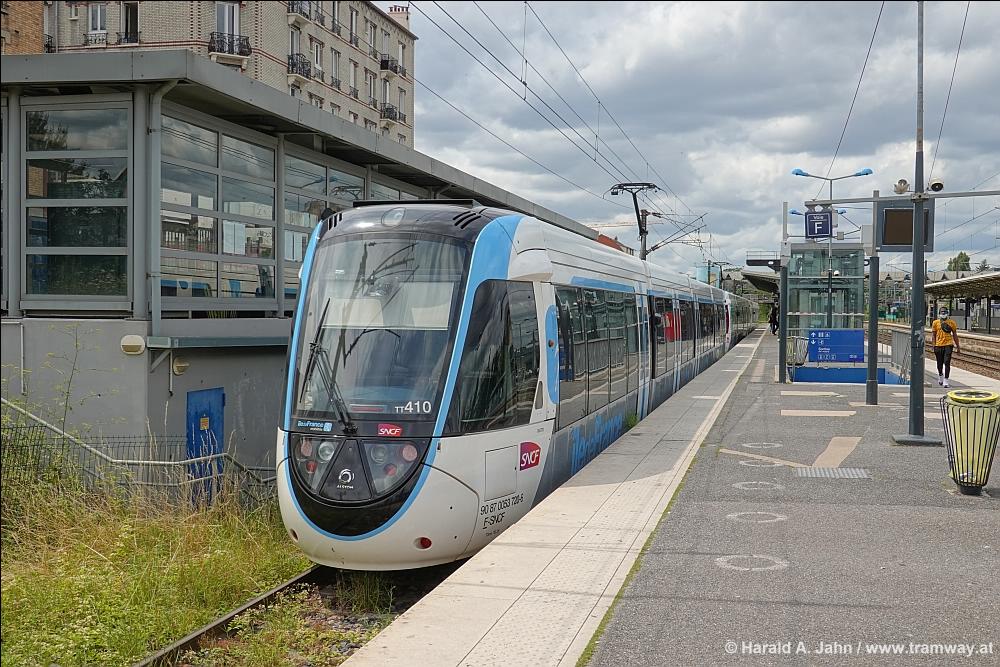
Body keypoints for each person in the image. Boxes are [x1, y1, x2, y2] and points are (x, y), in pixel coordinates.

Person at [931, 308, 961, 387]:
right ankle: (940, 375)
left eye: (945, 312)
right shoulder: (935, 323)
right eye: (942, 312)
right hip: (938, 345)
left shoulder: (952, 323)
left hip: (948, 345)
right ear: (939, 313)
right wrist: (934, 345)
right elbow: (933, 335)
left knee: (947, 362)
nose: (943, 313)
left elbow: (955, 335)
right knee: (939, 363)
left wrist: (958, 346)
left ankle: (946, 380)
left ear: (947, 313)